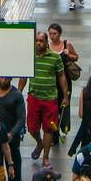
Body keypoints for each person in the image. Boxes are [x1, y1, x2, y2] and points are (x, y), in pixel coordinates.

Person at [24, 31, 67, 168]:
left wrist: (65, 96)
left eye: (41, 41)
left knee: (49, 129)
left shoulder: (55, 57)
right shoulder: (30, 56)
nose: (38, 43)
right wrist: (18, 92)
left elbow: (61, 76)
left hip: (50, 98)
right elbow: (23, 75)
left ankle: (46, 158)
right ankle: (40, 142)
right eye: (36, 41)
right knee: (32, 127)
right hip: (34, 97)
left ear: (46, 42)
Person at [0, 76, 26, 181]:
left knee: (14, 171)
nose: (4, 80)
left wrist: (11, 134)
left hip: (11, 140)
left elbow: (21, 118)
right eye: (2, 78)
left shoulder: (17, 95)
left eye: (7, 78)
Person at [47, 23, 78, 139]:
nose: (52, 36)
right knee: (53, 107)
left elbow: (76, 57)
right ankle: (54, 132)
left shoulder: (66, 44)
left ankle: (63, 126)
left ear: (59, 34)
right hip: (52, 82)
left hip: (65, 81)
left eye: (54, 34)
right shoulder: (47, 46)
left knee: (64, 105)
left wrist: (68, 54)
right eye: (50, 34)